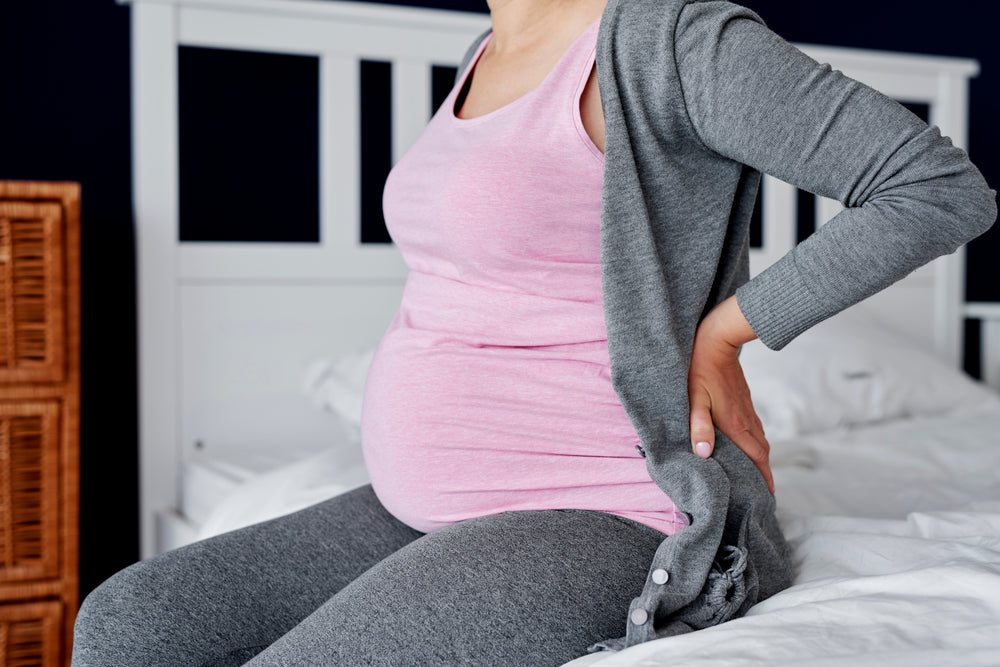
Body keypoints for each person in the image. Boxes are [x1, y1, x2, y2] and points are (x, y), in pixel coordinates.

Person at [72, 0, 996, 665]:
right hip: (416, 502)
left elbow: (937, 188)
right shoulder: (485, 49)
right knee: (129, 620)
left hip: (602, 506)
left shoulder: (669, 39)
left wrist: (724, 333)